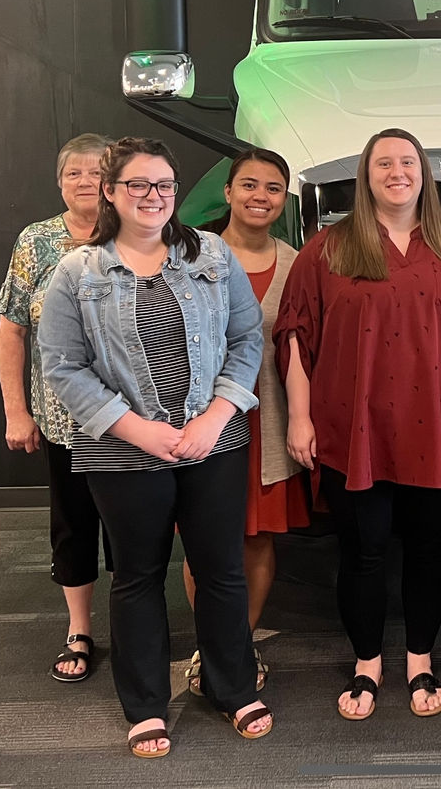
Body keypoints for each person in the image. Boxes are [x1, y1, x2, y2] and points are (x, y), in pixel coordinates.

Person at [38, 137, 272, 758]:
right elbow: (62, 367)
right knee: (137, 576)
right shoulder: (77, 272)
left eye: (164, 185)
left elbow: (248, 342)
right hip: (121, 450)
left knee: (221, 571)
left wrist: (216, 417)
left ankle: (234, 688)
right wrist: (139, 430)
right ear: (111, 193)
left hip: (213, 441)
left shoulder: (213, 256)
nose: (153, 196)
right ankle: (145, 706)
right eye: (138, 185)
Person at [274, 128, 441, 724]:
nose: (397, 172)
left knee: (428, 550)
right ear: (365, 176)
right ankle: (367, 664)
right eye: (383, 163)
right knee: (363, 553)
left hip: (436, 431)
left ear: (424, 173)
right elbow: (296, 337)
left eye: (407, 162)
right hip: (353, 430)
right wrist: (299, 416)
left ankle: (420, 659)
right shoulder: (327, 250)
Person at [182, 147, 309, 695]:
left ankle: (240, 644)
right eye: (250, 185)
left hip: (269, 419)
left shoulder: (298, 261)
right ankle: (211, 644)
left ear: (284, 200)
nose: (260, 196)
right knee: (204, 540)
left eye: (273, 188)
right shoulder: (189, 253)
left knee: (256, 538)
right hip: (204, 417)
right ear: (228, 193)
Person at [0, 133, 114, 683]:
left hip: (131, 421)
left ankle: (143, 622)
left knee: (138, 529)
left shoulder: (138, 232)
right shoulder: (36, 241)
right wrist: (16, 412)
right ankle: (79, 629)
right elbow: (12, 329)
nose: (86, 182)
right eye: (74, 174)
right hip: (65, 420)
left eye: (96, 172)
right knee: (73, 526)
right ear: (59, 182)